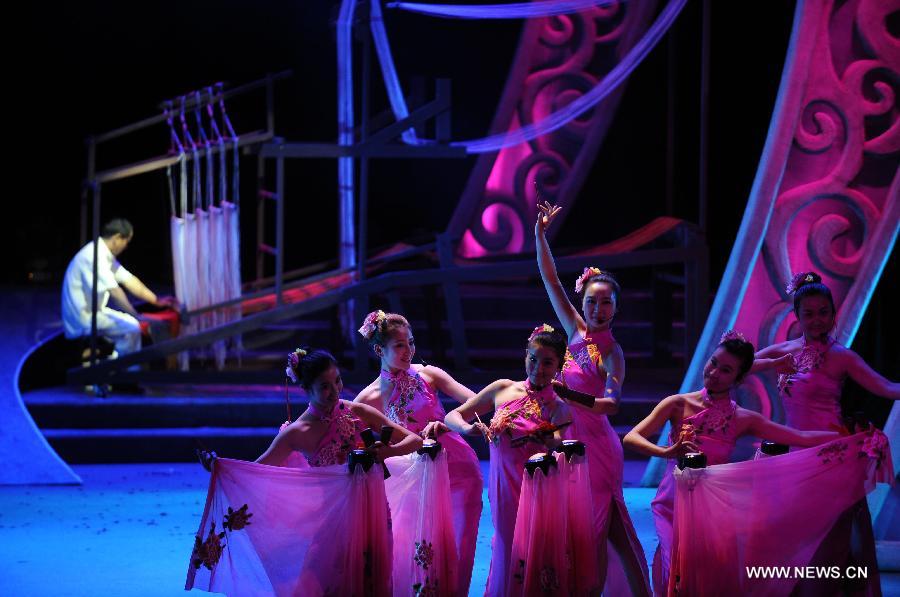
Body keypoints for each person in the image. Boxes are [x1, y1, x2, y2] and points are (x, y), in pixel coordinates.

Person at [187, 348, 422, 596]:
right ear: (306, 389)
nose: (335, 391)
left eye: (337, 381)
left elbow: (414, 440)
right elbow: (258, 470)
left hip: (373, 512)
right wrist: (220, 468)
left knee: (374, 580)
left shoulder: (356, 412)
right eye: (324, 386)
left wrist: (386, 451)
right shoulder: (297, 432)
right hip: (334, 520)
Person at [623, 332, 841, 595]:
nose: (714, 373)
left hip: (712, 510)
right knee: (675, 573)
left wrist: (850, 436)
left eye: (725, 370)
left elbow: (802, 437)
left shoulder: (743, 418)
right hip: (672, 505)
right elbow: (631, 438)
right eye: (713, 363)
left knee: (702, 579)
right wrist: (668, 452)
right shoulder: (677, 404)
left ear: (738, 379)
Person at [752, 271, 899, 596]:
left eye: (824, 313)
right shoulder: (785, 350)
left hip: (832, 456)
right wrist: (764, 363)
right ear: (797, 316)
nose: (817, 320)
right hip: (795, 455)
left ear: (833, 315)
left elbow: (887, 388)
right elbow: (738, 365)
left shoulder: (842, 356)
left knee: (830, 538)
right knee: (798, 535)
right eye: (809, 313)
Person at [534, 201, 650, 595]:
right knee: (577, 531)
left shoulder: (613, 352)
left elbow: (611, 405)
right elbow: (550, 280)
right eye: (591, 301)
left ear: (616, 307)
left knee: (598, 529)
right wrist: (540, 235)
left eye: (606, 302)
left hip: (597, 447)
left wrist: (567, 393)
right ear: (582, 303)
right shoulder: (574, 331)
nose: (598, 309)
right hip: (568, 443)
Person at [354, 310, 483, 596]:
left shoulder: (429, 374)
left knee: (460, 544)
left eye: (411, 343)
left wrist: (449, 424)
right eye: (399, 345)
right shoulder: (368, 398)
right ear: (379, 350)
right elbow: (345, 435)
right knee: (418, 552)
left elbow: (476, 402)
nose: (408, 351)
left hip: (457, 466)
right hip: (412, 479)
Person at [445, 326, 572, 596]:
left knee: (535, 548)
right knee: (507, 545)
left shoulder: (559, 407)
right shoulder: (502, 389)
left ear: (559, 366)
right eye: (533, 359)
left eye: (548, 362)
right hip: (504, 486)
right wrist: (469, 429)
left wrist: (550, 438)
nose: (538, 368)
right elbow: (453, 416)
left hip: (538, 488)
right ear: (525, 356)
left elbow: (560, 441)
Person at [61, 218, 173, 357]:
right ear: (117, 238)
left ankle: (118, 366)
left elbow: (129, 280)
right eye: (126, 242)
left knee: (131, 325)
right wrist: (136, 315)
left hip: (94, 312)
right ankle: (123, 371)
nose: (126, 246)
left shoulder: (103, 253)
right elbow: (115, 291)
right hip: (81, 318)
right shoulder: (94, 255)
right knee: (132, 328)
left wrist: (156, 301)